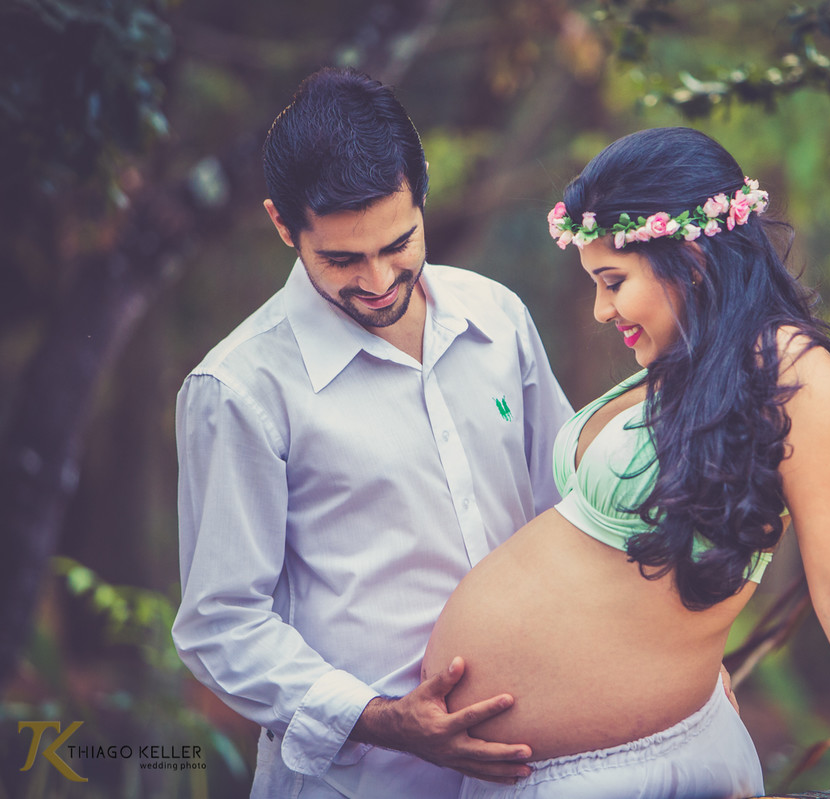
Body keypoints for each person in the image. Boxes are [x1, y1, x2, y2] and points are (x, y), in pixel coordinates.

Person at [423, 127, 830, 799]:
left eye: (613, 282)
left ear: (689, 257)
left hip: (630, 772)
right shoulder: (677, 365)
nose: (602, 309)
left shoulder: (792, 372)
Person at [172, 67, 573, 798]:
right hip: (361, 783)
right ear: (281, 223)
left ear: (422, 197)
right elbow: (220, 622)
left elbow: (569, 513)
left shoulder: (499, 318)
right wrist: (379, 718)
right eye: (343, 258)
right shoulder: (240, 388)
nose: (381, 279)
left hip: (537, 766)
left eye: (399, 242)